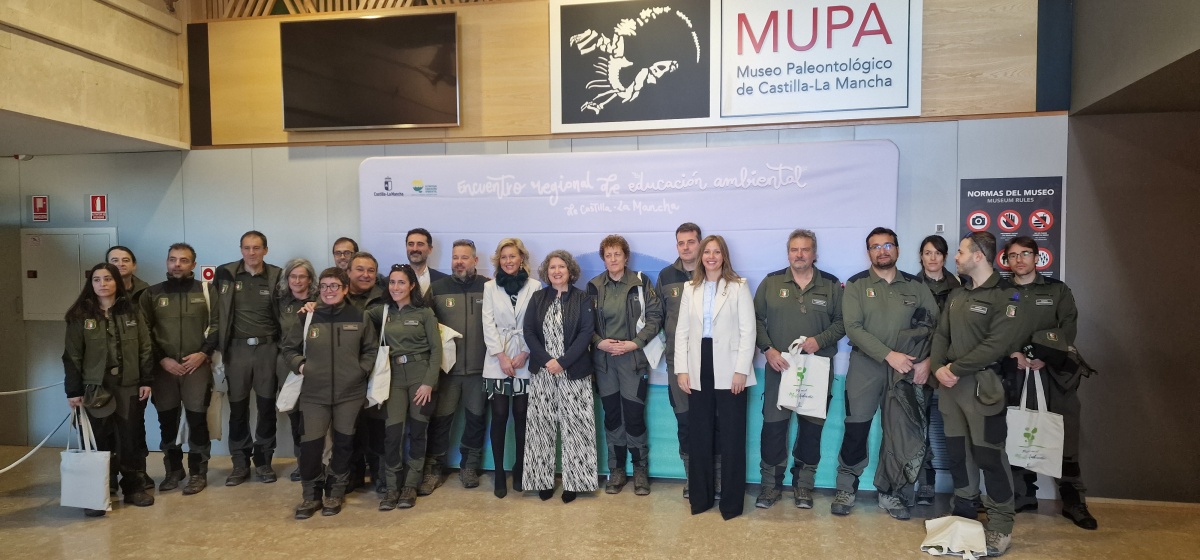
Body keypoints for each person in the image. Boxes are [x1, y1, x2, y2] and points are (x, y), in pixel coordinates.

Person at [838, 227, 939, 519]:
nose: (882, 251)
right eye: (875, 246)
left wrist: (928, 361)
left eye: (887, 245)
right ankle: (846, 488)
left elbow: (936, 326)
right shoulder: (857, 284)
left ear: (897, 249)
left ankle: (891, 493)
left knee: (899, 433)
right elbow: (853, 328)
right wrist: (888, 355)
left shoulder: (916, 286)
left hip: (905, 372)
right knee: (856, 428)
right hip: (866, 368)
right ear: (868, 252)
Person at [931, 232, 1021, 557]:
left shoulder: (1006, 295)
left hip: (984, 386)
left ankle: (1000, 525)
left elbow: (996, 345)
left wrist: (954, 368)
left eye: (960, 252)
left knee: (989, 456)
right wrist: (937, 367)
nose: (955, 257)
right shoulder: (958, 294)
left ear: (979, 256)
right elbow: (941, 334)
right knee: (958, 454)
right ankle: (965, 512)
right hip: (950, 388)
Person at [1001, 236, 1095, 530]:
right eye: (1013, 255)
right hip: (1016, 373)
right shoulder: (1000, 291)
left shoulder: (1057, 290)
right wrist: (1013, 353)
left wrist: (1045, 355)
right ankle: (1023, 494)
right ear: (1006, 260)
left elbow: (1068, 327)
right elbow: (993, 330)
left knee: (1064, 433)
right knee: (1016, 431)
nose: (1019, 260)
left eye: (1025, 254)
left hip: (1054, 374)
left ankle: (1073, 499)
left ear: (1036, 257)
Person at [753, 229, 845, 509]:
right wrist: (768, 349)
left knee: (811, 431)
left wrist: (821, 340)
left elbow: (843, 323)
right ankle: (770, 486)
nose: (800, 254)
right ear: (788, 253)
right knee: (773, 429)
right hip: (779, 368)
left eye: (805, 249)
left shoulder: (831, 285)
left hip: (817, 370)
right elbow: (754, 320)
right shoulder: (771, 283)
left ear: (814, 254)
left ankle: (803, 485)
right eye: (794, 249)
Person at [281, 267, 378, 519]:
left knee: (344, 445)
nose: (328, 291)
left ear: (345, 289)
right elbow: (289, 349)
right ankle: (311, 495)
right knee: (310, 446)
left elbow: (371, 350)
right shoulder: (308, 317)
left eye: (334, 286)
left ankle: (335, 491)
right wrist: (302, 366)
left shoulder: (360, 316)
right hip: (314, 394)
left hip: (350, 394)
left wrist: (361, 370)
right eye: (324, 286)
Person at [673, 235, 756, 519]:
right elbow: (682, 332)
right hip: (698, 364)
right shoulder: (690, 288)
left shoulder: (738, 286)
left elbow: (748, 331)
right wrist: (682, 369)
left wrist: (741, 370)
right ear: (701, 256)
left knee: (732, 436)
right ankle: (701, 499)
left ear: (724, 256)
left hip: (731, 367)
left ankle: (731, 504)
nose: (711, 256)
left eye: (716, 252)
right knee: (700, 434)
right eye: (706, 252)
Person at [62, 262, 155, 516]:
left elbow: (145, 348)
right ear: (90, 284)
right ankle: (97, 493)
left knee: (130, 439)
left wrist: (146, 380)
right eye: (97, 279)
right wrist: (73, 391)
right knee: (97, 441)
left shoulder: (132, 311)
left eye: (107, 279)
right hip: (94, 389)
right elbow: (72, 356)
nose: (102, 284)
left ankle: (134, 488)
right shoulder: (80, 316)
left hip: (128, 386)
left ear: (117, 282)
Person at [587, 234, 663, 495]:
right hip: (605, 363)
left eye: (617, 254)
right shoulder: (594, 286)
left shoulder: (641, 283)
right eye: (608, 255)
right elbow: (585, 324)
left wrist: (635, 343)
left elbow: (655, 317)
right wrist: (599, 343)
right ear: (603, 259)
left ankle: (640, 471)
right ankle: (616, 470)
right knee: (612, 418)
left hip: (633, 360)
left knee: (634, 417)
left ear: (626, 257)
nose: (613, 259)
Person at [138, 243, 215, 496]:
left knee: (197, 420)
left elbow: (218, 325)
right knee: (167, 422)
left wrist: (203, 353)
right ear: (167, 262)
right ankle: (173, 470)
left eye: (184, 260)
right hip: (165, 370)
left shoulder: (207, 291)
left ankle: (198, 473)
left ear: (193, 264)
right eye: (172, 259)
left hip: (197, 367)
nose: (177, 264)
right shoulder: (151, 294)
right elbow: (144, 333)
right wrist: (162, 359)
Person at [208, 230, 283, 485]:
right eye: (247, 247)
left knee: (266, 408)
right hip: (236, 350)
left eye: (257, 247)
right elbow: (214, 311)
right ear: (241, 249)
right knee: (238, 409)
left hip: (267, 349)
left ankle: (264, 462)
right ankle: (239, 463)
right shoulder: (225, 273)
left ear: (265, 250)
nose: (252, 253)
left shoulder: (276, 275)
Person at [522, 250, 597, 503]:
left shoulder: (582, 298)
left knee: (577, 427)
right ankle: (541, 481)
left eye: (561, 267)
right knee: (540, 427)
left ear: (570, 271)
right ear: (547, 271)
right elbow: (529, 332)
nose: (556, 271)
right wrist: (547, 361)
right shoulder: (537, 298)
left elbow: (586, 333)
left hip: (574, 372)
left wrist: (562, 362)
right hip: (543, 372)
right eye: (552, 267)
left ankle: (574, 483)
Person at [368, 264, 442, 510]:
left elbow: (437, 350)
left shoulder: (424, 313)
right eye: (392, 282)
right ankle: (392, 487)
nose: (396, 287)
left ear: (411, 285)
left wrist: (428, 383)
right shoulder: (382, 312)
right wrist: (314, 308)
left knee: (418, 431)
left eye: (401, 282)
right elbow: (353, 315)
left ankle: (410, 485)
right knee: (393, 434)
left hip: (420, 375)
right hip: (393, 377)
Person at [426, 240, 490, 493]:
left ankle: (469, 467)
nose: (459, 262)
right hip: (447, 371)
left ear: (475, 261)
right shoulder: (437, 289)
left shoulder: (488, 287)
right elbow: (425, 326)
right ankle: (434, 469)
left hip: (479, 370)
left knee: (476, 420)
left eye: (464, 257)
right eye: (455, 257)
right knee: (441, 421)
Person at [655, 222, 713, 500]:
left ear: (700, 243)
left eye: (691, 242)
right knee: (686, 422)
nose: (686, 247)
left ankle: (715, 478)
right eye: (681, 243)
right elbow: (656, 316)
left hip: (712, 362)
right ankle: (693, 478)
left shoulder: (713, 271)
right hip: (678, 364)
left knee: (713, 421)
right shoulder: (666, 276)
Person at [481, 238, 540, 498]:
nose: (508, 261)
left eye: (512, 256)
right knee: (499, 415)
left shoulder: (535, 286)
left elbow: (537, 323)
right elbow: (488, 324)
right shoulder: (490, 287)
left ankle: (520, 469)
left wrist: (526, 352)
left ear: (521, 258)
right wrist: (502, 357)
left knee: (522, 415)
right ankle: (498, 473)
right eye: (503, 257)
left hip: (525, 357)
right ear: (498, 260)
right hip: (498, 360)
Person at [915, 234, 964, 505]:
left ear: (945, 257)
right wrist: (924, 361)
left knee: (956, 428)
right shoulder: (911, 286)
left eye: (937, 253)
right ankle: (926, 483)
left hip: (951, 367)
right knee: (919, 426)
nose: (932, 258)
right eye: (927, 252)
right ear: (921, 257)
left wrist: (941, 362)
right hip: (919, 365)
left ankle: (964, 489)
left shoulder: (961, 287)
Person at [107, 245, 152, 490]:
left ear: (134, 265)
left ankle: (137, 473)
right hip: (105, 376)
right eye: (114, 260)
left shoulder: (146, 292)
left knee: (134, 425)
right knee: (107, 428)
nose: (120, 264)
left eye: (125, 260)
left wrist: (147, 374)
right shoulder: (97, 294)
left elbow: (149, 335)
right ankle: (108, 478)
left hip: (136, 372)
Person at [345, 252, 388, 494]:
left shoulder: (385, 295)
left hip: (376, 370)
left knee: (376, 426)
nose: (365, 275)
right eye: (360, 269)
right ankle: (354, 475)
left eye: (371, 270)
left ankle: (380, 475)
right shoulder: (336, 297)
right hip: (345, 372)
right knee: (349, 426)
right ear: (348, 272)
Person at [276, 258, 317, 482]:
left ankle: (317, 462)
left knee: (314, 416)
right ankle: (302, 463)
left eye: (302, 276)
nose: (297, 280)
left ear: (310, 279)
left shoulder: (320, 300)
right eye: (293, 276)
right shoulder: (281, 302)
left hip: (315, 366)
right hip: (289, 366)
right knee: (295, 417)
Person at [406, 228, 449, 296]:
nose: (415, 249)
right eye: (411, 244)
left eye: (420, 244)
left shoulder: (444, 281)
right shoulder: (392, 281)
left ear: (430, 249)